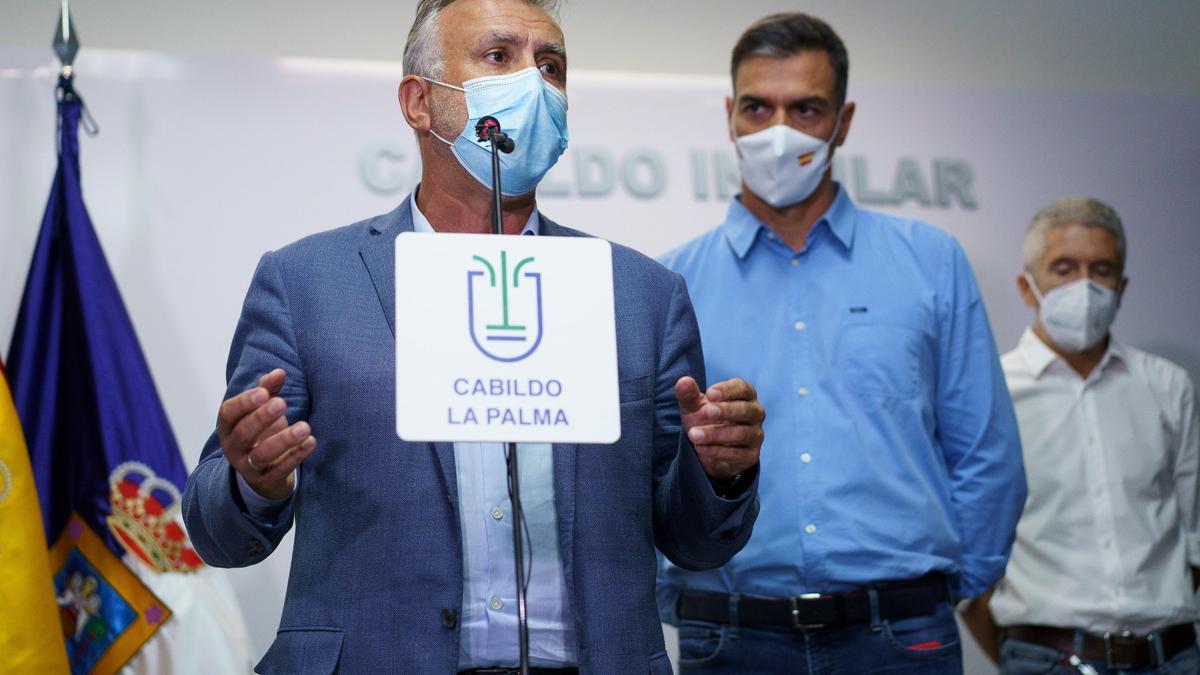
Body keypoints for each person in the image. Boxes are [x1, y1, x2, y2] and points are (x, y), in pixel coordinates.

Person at [181, 1, 765, 672]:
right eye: (499, 57)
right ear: (419, 102)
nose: (534, 84)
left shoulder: (642, 295)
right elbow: (216, 531)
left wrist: (719, 471)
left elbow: (695, 540)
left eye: (551, 66)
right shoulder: (304, 282)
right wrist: (255, 480)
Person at [656, 12, 1026, 674]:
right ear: (729, 116)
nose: (778, 131)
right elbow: (652, 465)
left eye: (805, 108)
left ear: (843, 121)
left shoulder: (931, 262)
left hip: (899, 632)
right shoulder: (673, 283)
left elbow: (986, 453)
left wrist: (940, 588)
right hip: (732, 633)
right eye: (757, 107)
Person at [960, 196, 1200, 674]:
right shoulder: (991, 391)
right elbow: (971, 560)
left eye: (1102, 269)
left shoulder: (1168, 385)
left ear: (1123, 286)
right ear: (1027, 288)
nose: (1084, 286)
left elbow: (1195, 539)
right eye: (1064, 268)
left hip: (1169, 657)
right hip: (1044, 656)